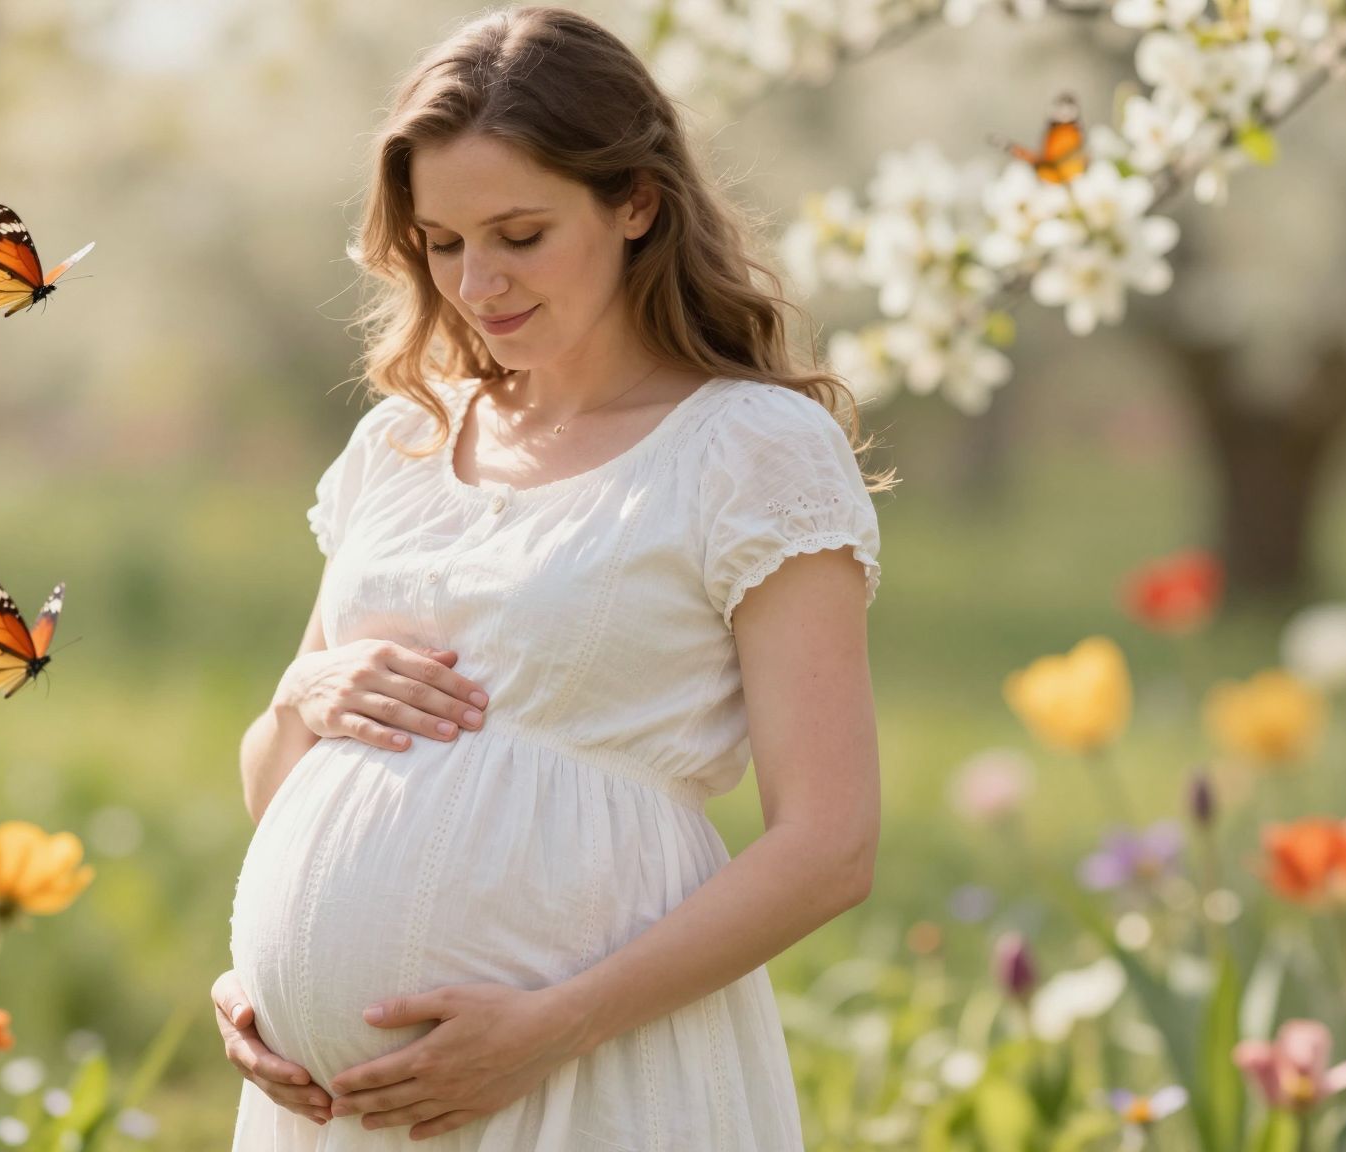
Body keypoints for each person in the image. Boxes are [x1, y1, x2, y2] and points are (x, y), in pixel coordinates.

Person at [215, 7, 891, 1147]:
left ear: (635, 201)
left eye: (519, 234)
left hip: (591, 1078)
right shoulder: (403, 444)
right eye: (441, 242)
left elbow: (829, 847)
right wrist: (266, 973)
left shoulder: (747, 450)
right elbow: (278, 783)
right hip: (330, 1113)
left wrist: (553, 1027)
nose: (476, 283)